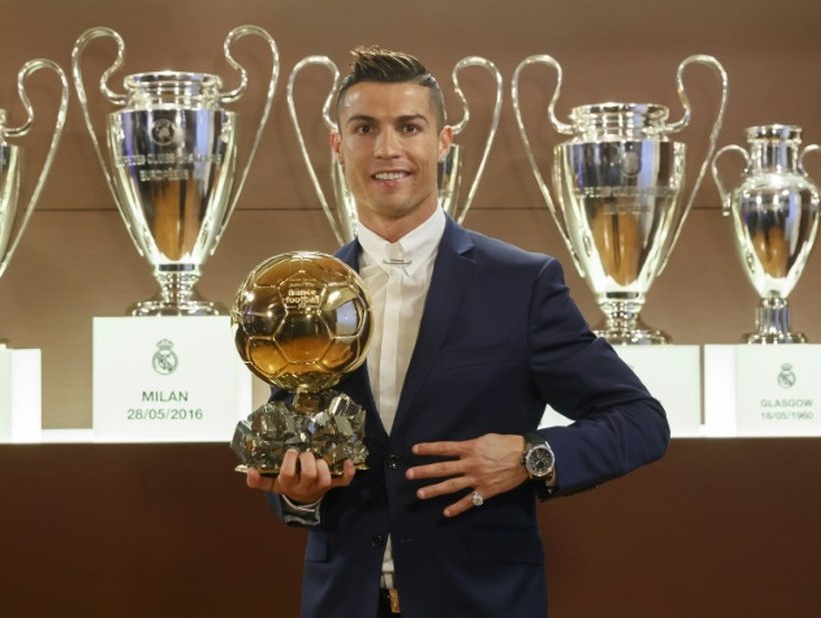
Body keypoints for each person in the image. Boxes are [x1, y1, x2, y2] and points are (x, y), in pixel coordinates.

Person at [244, 45, 670, 617]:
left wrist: (530, 456)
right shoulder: (303, 292)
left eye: (409, 127)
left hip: (482, 603)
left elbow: (642, 421)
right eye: (365, 127)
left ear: (443, 143)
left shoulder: (521, 284)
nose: (387, 148)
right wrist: (299, 494)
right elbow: (294, 457)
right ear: (338, 145)